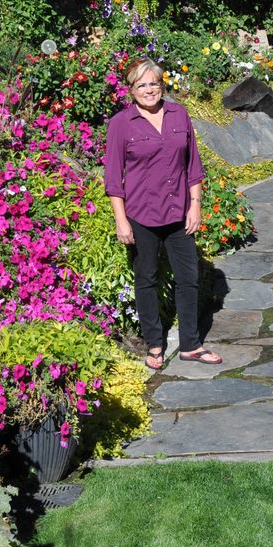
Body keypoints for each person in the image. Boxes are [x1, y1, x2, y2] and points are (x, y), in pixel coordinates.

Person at [104, 57, 222, 369]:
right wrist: (121, 219)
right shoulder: (120, 125)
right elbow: (114, 179)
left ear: (161, 85)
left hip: (179, 210)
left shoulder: (178, 114)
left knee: (189, 277)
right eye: (141, 84)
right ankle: (154, 345)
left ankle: (190, 344)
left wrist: (195, 203)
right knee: (146, 278)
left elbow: (192, 165)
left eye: (154, 83)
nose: (149, 89)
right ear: (131, 89)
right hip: (141, 214)